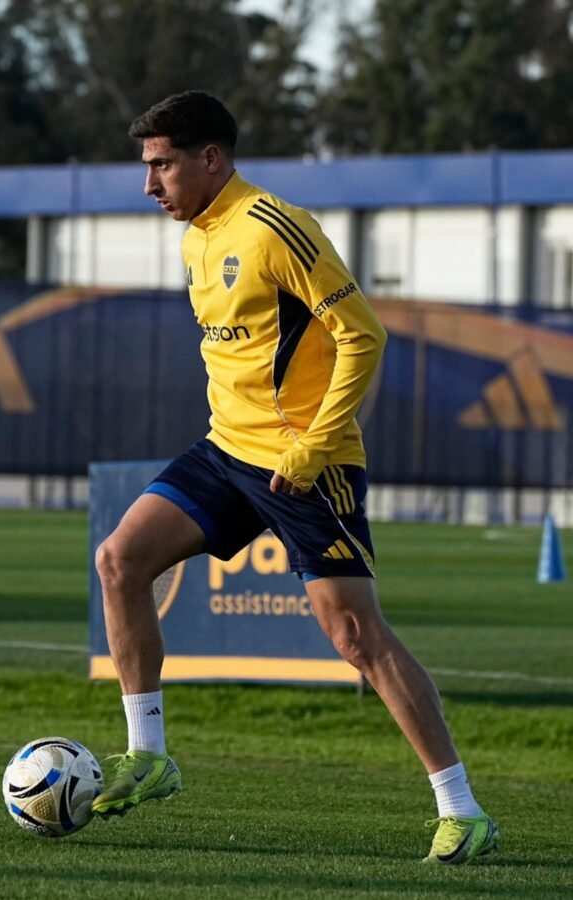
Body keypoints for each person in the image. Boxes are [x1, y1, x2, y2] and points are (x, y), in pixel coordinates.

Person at [91, 90, 498, 864]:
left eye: (163, 166)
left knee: (355, 637)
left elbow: (363, 335)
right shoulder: (194, 237)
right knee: (120, 560)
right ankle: (150, 754)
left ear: (211, 158)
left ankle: (463, 809)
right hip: (224, 452)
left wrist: (314, 444)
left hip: (306, 464)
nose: (151, 186)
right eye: (148, 167)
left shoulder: (277, 227)